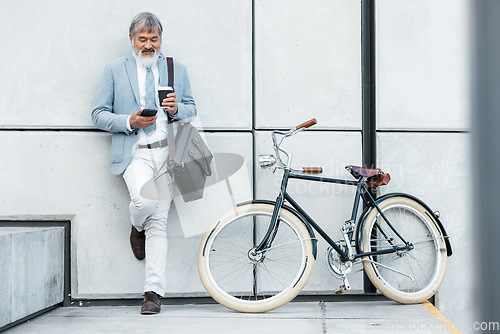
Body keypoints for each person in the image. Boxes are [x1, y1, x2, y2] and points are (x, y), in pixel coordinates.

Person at [91, 12, 196, 314]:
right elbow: (98, 113)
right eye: (143, 39)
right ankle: (137, 227)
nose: (149, 45)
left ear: (161, 39)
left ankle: (153, 293)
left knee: (160, 223)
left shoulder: (176, 68)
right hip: (135, 151)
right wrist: (129, 120)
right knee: (145, 204)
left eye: (154, 39)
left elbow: (191, 107)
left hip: (168, 153)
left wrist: (177, 109)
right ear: (131, 39)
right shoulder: (114, 70)